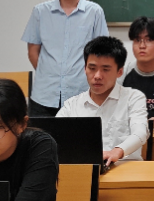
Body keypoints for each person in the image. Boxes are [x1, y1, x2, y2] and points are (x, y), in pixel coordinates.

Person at [22, 0, 109, 117]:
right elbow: (33, 51)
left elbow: (102, 53)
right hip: (44, 96)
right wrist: (48, 73)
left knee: (80, 135)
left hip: (81, 94)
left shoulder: (94, 12)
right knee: (40, 134)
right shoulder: (40, 12)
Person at [57, 36, 149, 164]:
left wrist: (117, 151)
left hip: (125, 167)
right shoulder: (72, 105)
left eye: (105, 69)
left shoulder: (133, 98)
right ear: (85, 69)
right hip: (86, 169)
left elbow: (140, 133)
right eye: (92, 68)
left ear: (119, 72)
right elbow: (53, 136)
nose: (97, 76)